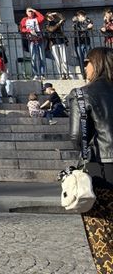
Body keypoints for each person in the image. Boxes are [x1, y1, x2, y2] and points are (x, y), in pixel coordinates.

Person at [66, 47, 113, 273]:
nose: (85, 67)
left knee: (102, 239)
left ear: (97, 63)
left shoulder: (83, 94)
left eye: (87, 62)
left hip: (101, 173)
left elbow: (77, 139)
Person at [20, 7, 46, 79]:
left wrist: (35, 10)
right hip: (31, 40)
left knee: (41, 57)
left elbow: (42, 18)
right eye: (29, 11)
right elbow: (22, 29)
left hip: (39, 39)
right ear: (26, 13)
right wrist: (29, 30)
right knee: (33, 58)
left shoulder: (37, 18)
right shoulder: (24, 19)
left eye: (31, 12)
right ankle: (36, 74)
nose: (30, 13)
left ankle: (42, 74)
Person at [45, 12, 71, 78]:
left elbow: (63, 19)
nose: (52, 16)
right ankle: (61, 74)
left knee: (64, 59)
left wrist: (56, 13)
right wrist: (58, 23)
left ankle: (66, 73)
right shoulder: (47, 24)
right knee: (58, 60)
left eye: (52, 15)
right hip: (53, 43)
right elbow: (51, 29)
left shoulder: (56, 21)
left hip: (61, 41)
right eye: (50, 15)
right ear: (47, 17)